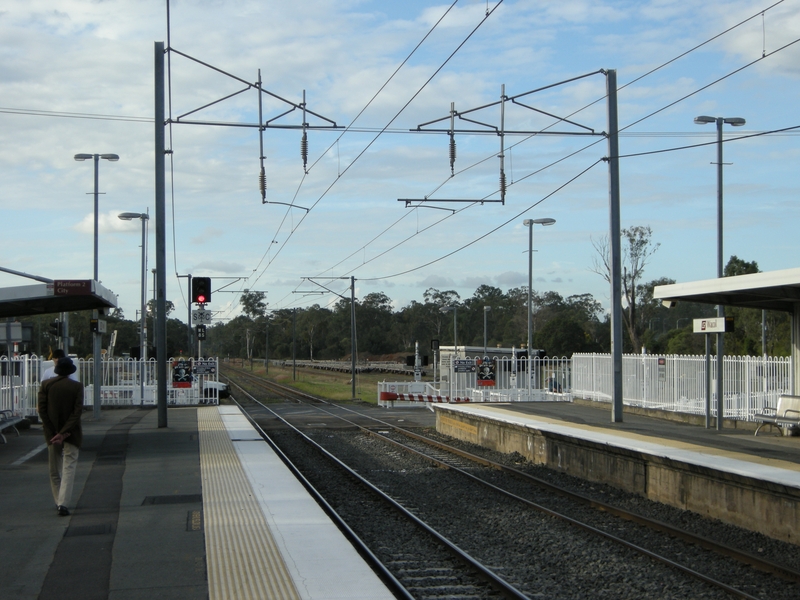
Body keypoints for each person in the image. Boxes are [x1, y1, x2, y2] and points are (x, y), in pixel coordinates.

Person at [38, 356, 84, 516]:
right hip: (71, 432)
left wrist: (55, 433)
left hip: (51, 433)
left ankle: (58, 500)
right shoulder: (77, 387)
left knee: (54, 468)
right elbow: (77, 412)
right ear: (70, 371)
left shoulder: (46, 385)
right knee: (69, 466)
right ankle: (63, 502)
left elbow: (42, 411)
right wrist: (64, 432)